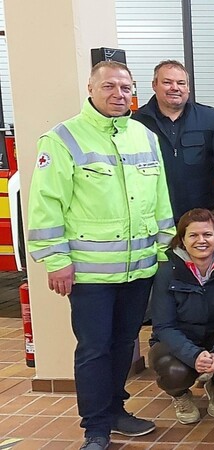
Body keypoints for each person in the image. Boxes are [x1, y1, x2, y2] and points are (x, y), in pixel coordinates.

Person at [27, 61, 175, 450]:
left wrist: (164, 251)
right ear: (90, 89)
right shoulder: (63, 139)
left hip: (139, 268)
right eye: (109, 86)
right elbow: (45, 205)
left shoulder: (144, 136)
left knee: (125, 343)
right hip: (90, 274)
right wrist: (56, 260)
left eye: (126, 88)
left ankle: (116, 410)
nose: (118, 94)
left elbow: (160, 200)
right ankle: (95, 427)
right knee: (94, 348)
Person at [148, 208, 214, 425]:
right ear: (182, 239)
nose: (201, 241)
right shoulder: (166, 271)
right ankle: (180, 395)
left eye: (207, 234)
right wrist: (194, 355)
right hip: (178, 341)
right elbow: (164, 326)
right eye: (193, 235)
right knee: (173, 370)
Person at [132, 60, 214, 222]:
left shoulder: (210, 119)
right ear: (154, 85)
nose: (175, 88)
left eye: (181, 83)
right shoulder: (136, 123)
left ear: (188, 87)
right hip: (153, 218)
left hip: (203, 217)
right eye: (167, 82)